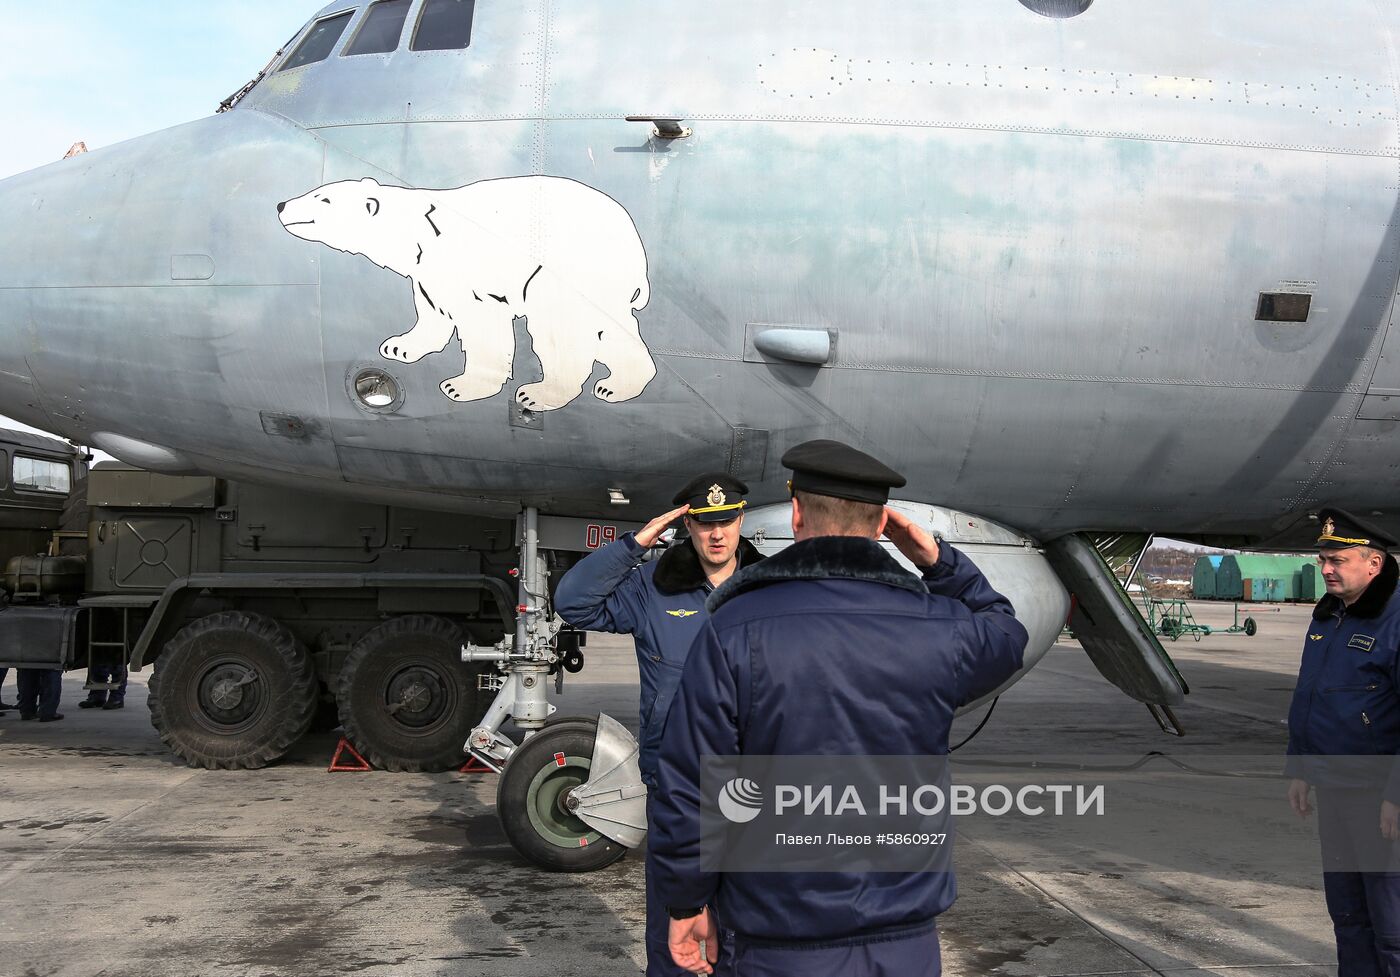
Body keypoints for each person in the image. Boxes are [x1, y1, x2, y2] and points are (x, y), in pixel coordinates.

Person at [650, 439, 1028, 977]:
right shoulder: (940, 628)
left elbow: (692, 785)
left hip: (776, 939)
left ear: (797, 513)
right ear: (882, 526)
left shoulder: (735, 628)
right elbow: (1007, 634)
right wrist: (942, 562)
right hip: (904, 944)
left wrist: (686, 902)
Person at [555, 472, 764, 977]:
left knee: (749, 917)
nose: (717, 535)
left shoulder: (769, 587)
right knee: (675, 913)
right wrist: (635, 545)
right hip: (676, 776)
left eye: (727, 522)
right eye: (705, 523)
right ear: (687, 525)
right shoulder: (653, 587)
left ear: (741, 521)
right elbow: (574, 602)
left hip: (754, 772)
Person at [1285, 507, 1400, 976]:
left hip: (1378, 797)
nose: (1327, 569)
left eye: (1338, 560)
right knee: (1348, 915)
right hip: (1335, 788)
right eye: (1323, 560)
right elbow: (1311, 696)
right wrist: (1299, 767)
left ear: (1373, 564)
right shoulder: (1329, 617)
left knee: (1391, 923)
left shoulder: (1394, 621)